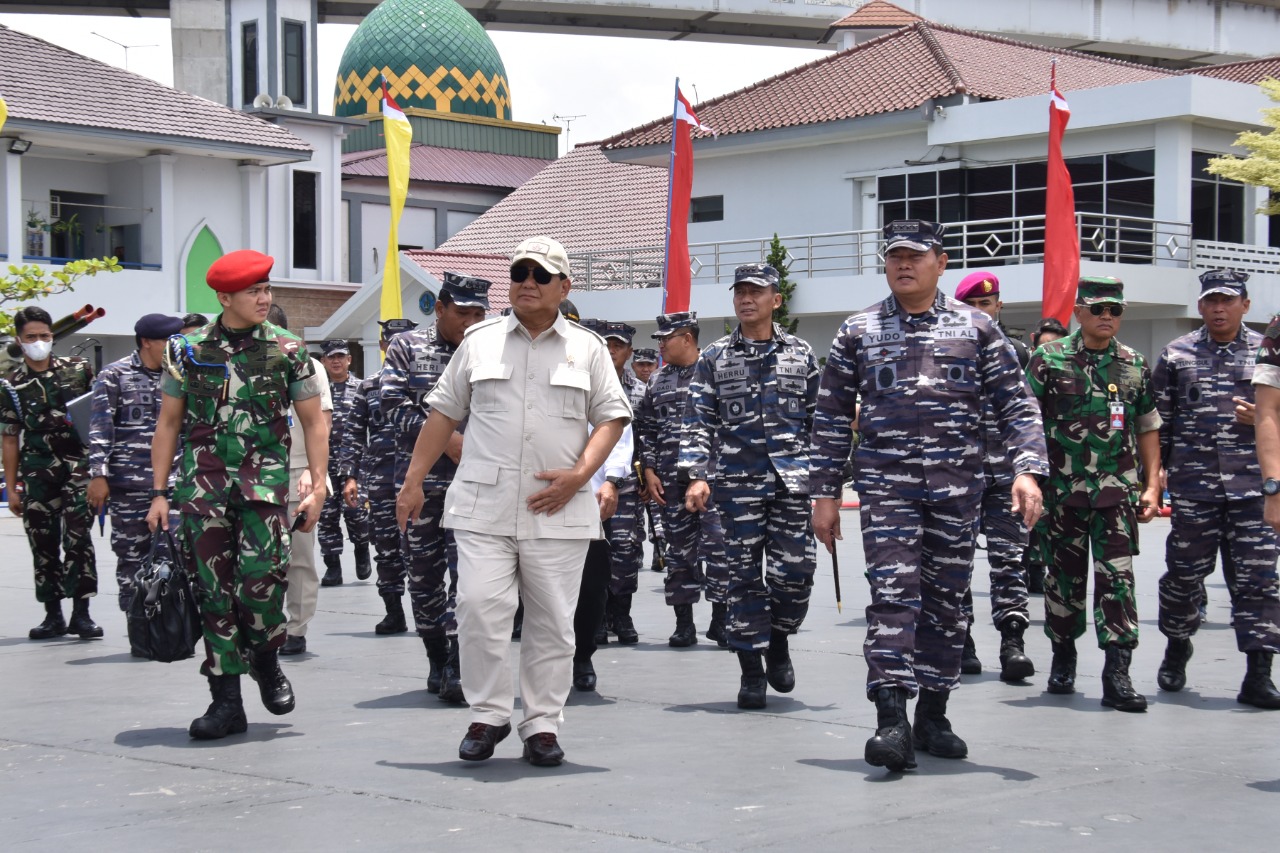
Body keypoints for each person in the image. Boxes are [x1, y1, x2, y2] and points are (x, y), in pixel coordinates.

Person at [810, 221, 1047, 772]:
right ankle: (890, 719)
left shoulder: (977, 328)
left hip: (957, 490)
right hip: (887, 487)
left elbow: (1017, 406)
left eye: (915, 256)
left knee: (947, 602)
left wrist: (1027, 470)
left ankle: (933, 714)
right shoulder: (859, 330)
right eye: (894, 256)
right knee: (894, 595)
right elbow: (829, 417)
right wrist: (822, 493)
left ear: (941, 262)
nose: (903, 265)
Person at [396, 235, 631, 768]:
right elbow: (442, 415)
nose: (527, 282)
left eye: (540, 275)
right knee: (478, 608)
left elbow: (612, 417)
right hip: (485, 503)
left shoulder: (588, 348)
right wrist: (412, 482)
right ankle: (489, 714)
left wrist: (582, 476)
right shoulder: (478, 342)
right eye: (520, 272)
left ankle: (542, 724)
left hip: (558, 507)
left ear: (564, 286)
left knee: (551, 622)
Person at [146, 249, 328, 741]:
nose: (265, 298)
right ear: (225, 298)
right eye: (254, 291)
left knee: (261, 582)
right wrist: (159, 493)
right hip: (202, 491)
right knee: (212, 592)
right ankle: (226, 700)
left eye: (267, 289)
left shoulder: (290, 350)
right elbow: (168, 423)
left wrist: (317, 484)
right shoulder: (186, 349)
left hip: (265, 489)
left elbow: (314, 422)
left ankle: (266, 661)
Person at [681, 263, 820, 709]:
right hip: (736, 484)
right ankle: (750, 670)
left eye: (756, 291)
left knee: (795, 575)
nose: (746, 299)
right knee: (741, 579)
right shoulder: (715, 357)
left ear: (775, 300)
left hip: (792, 483)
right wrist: (697, 474)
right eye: (740, 291)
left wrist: (829, 480)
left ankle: (778, 639)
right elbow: (698, 418)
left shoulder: (801, 353)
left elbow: (823, 419)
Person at [1026, 276, 1161, 713]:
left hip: (1116, 495)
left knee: (1118, 582)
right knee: (1063, 582)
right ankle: (1063, 657)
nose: (1107, 317)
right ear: (1079, 312)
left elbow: (1148, 426)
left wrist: (1153, 482)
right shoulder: (1048, 359)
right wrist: (1026, 479)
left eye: (1115, 310)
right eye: (1099, 309)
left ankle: (1117, 673)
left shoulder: (1134, 364)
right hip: (1062, 495)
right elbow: (1025, 424)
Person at [1150, 269, 1280, 708]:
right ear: (1201, 306)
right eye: (1211, 301)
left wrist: (1258, 418)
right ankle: (1176, 646)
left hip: (1252, 488)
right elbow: (1157, 422)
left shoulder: (1269, 351)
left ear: (1245, 304)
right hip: (1194, 488)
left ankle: (1258, 674)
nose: (1219, 308)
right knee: (1184, 576)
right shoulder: (1176, 354)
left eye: (1228, 300)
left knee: (1259, 580)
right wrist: (1156, 477)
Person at [382, 274, 490, 703]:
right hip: (422, 484)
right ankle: (435, 655)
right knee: (424, 578)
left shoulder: (491, 348)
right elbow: (390, 404)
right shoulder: (407, 347)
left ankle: (458, 664)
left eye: (479, 313)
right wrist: (447, 439)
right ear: (440, 308)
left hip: (477, 483)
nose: (471, 321)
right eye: (463, 312)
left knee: (471, 578)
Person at [953, 271, 1035, 682]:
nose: (981, 311)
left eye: (988, 304)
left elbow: (1027, 413)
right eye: (973, 305)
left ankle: (1012, 641)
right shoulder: (947, 348)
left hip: (1005, 475)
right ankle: (962, 641)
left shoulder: (1017, 352)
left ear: (998, 306)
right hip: (959, 475)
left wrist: (1031, 469)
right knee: (956, 562)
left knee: (1009, 559)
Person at [1, 306, 101, 640]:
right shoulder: (11, 385)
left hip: (78, 468)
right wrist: (12, 487)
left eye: (44, 336)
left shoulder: (78, 370)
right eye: (31, 337)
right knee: (42, 543)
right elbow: (10, 438)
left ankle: (82, 614)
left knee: (78, 538)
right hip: (37, 471)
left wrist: (102, 470)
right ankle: (52, 615)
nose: (39, 342)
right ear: (20, 340)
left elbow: (99, 418)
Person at [636, 311, 729, 646]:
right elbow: (645, 430)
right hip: (670, 481)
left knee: (720, 550)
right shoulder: (656, 381)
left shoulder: (716, 372)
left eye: (666, 338)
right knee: (678, 554)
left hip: (713, 480)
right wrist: (648, 470)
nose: (660, 344)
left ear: (687, 338)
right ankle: (684, 624)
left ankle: (721, 621)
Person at [87, 312, 185, 613]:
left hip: (173, 483)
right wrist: (98, 475)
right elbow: (101, 426)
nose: (175, 346)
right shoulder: (116, 375)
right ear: (146, 342)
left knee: (175, 554)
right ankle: (138, 625)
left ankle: (170, 626)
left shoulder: (181, 375)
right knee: (131, 557)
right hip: (128, 483)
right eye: (168, 341)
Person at [340, 318, 417, 637]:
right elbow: (354, 433)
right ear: (384, 345)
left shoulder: (424, 382)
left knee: (423, 550)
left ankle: (433, 618)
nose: (396, 344)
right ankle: (393, 611)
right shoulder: (368, 386)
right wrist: (349, 477)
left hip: (420, 480)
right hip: (382, 482)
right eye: (391, 340)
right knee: (386, 547)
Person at [271, 304, 334, 657]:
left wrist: (314, 471)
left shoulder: (309, 367)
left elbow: (320, 424)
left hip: (298, 473)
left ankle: (295, 628)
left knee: (298, 557)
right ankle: (263, 624)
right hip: (253, 476)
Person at [577, 319, 644, 645]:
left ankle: (621, 612)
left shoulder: (631, 391)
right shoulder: (577, 382)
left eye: (617, 345)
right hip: (580, 486)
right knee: (588, 555)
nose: (611, 350)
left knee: (624, 551)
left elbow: (630, 439)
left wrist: (620, 480)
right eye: (605, 344)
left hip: (622, 484)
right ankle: (597, 616)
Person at [317, 339, 370, 586]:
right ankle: (333, 567)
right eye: (331, 357)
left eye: (341, 356)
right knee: (326, 516)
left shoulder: (363, 388)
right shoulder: (317, 390)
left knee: (355, 512)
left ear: (349, 359)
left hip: (355, 464)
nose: (336, 361)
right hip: (324, 463)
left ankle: (362, 550)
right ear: (324, 361)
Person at [630, 346, 667, 573]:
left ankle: (659, 547)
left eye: (649, 365)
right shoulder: (626, 389)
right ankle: (636, 551)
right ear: (633, 366)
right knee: (635, 511)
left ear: (656, 365)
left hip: (654, 458)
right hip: (629, 460)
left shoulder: (660, 387)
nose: (645, 369)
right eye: (640, 364)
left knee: (656, 506)